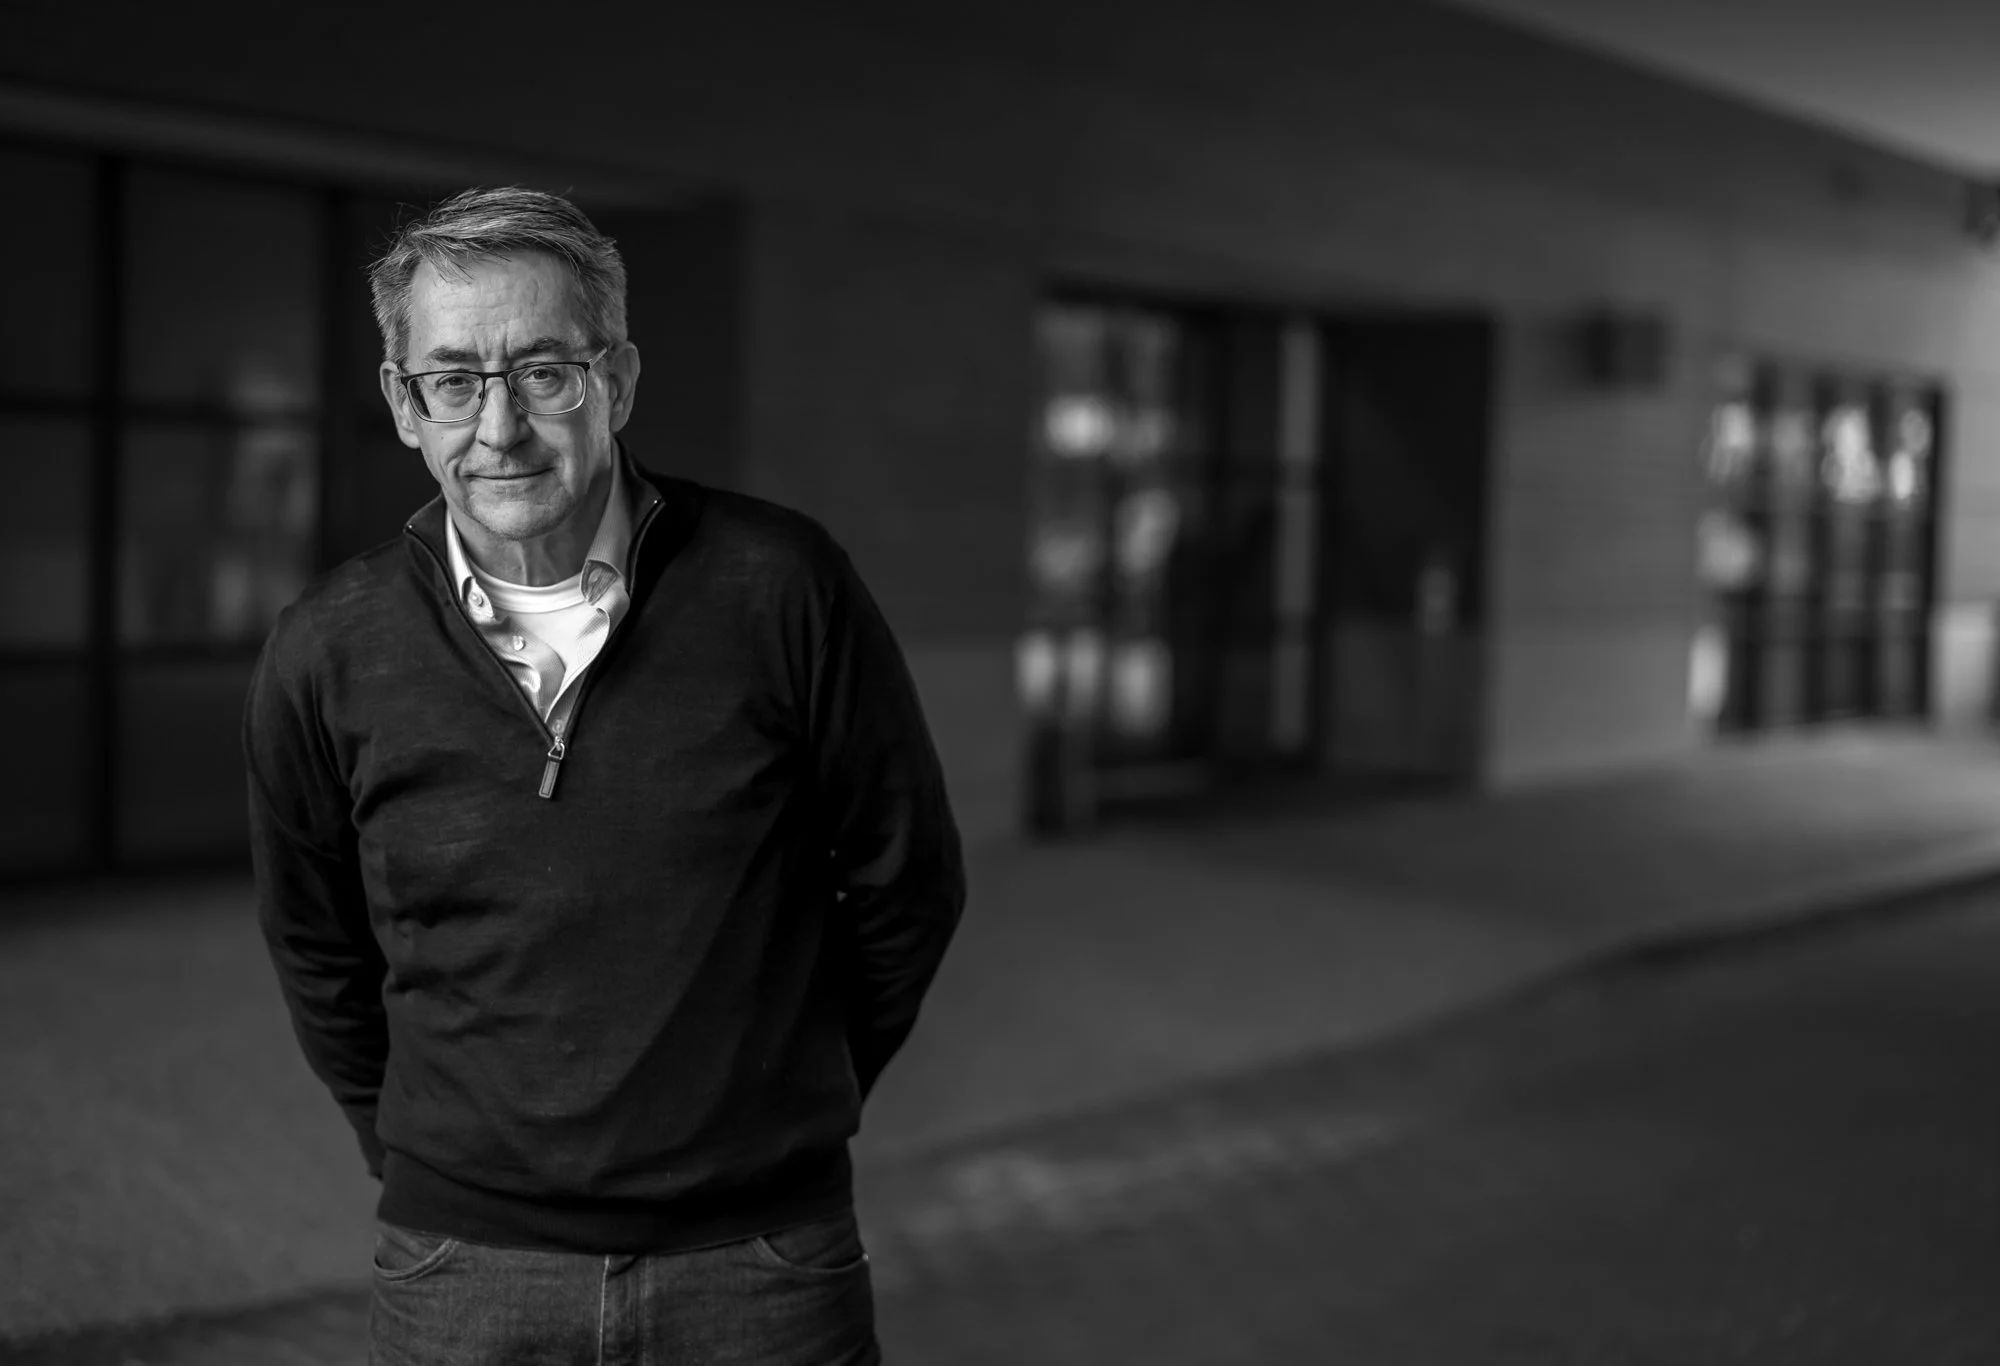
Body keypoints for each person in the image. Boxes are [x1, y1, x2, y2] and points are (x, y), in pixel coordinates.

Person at [244, 186, 965, 1365]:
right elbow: (317, 944)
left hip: (760, 1264)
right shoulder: (326, 646)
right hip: (460, 1271)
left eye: (543, 373)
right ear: (401, 404)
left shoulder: (779, 586)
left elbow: (906, 884)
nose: (498, 428)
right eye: (454, 380)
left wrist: (781, 1101)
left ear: (617, 381)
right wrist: (428, 1153)